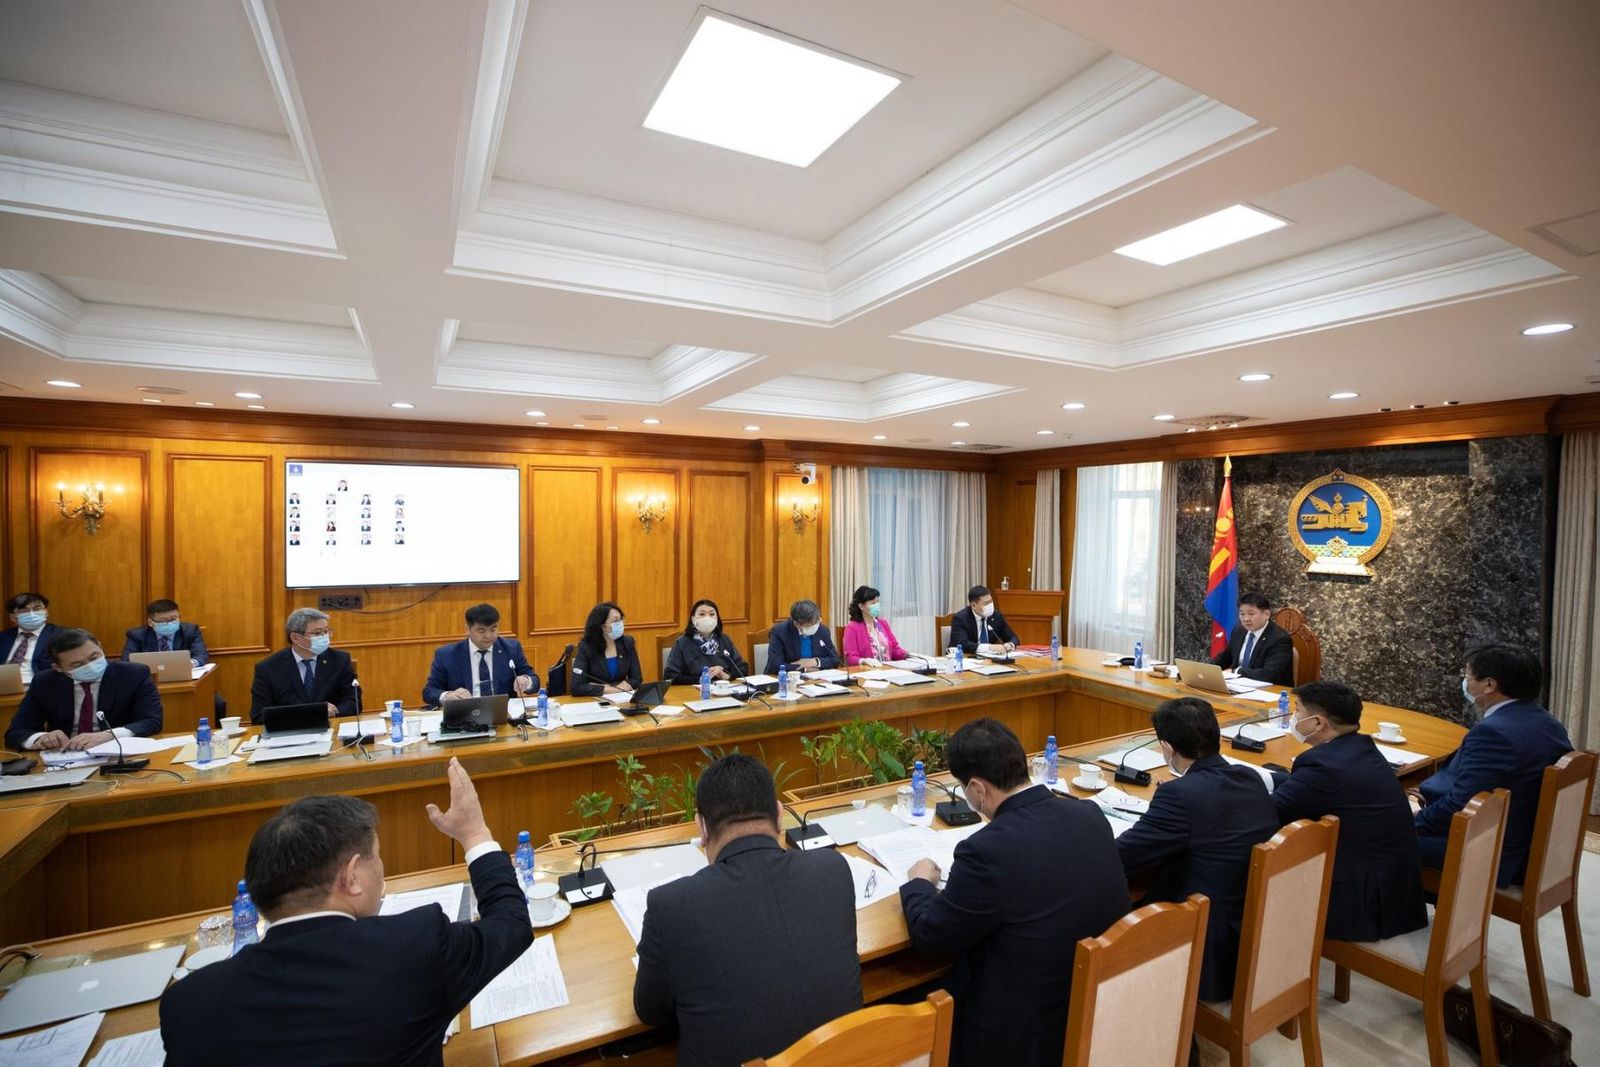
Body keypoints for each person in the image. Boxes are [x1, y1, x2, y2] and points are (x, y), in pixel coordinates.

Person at [159, 758, 531, 1066]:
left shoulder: (187, 1007)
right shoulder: (415, 947)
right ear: (352, 877)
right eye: (377, 856)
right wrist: (474, 833)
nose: (381, 869)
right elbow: (510, 923)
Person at [899, 719, 1130, 1065]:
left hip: (1025, 1038)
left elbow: (932, 938)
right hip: (1097, 1004)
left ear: (977, 788)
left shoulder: (984, 852)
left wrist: (918, 883)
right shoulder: (1088, 813)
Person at [633, 755, 860, 1066]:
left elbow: (650, 1012)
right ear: (779, 816)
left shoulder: (670, 905)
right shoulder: (833, 867)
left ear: (701, 827)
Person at [1115, 696, 1279, 1002]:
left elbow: (1121, 858)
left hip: (1209, 953)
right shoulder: (1249, 777)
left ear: (1167, 748)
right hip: (1255, 935)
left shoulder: (1180, 797)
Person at [1270, 681, 1427, 942]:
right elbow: (1314, 790)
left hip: (1363, 904)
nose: (1293, 717)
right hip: (1397, 892)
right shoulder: (1361, 749)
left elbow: (1271, 812)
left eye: (1297, 711)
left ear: (1318, 722)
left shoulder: (1321, 766)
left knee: (1254, 863)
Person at [1413, 644, 1572, 886]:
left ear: (1489, 684)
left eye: (1467, 676)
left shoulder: (1493, 733)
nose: (1466, 683)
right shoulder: (1548, 722)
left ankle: (1387, 914)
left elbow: (1461, 804)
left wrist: (1412, 823)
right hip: (1525, 842)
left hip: (1493, 851)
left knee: (1370, 836)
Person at [5, 629, 163, 751]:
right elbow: (16, 732)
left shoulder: (133, 674)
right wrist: (41, 738)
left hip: (117, 749)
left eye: (94, 657)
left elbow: (152, 721)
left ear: (100, 647)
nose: (89, 665)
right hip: (65, 754)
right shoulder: (45, 682)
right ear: (58, 668)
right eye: (77, 665)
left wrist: (108, 735)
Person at [249, 608, 358, 722]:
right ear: (296, 638)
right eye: (317, 633)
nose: (324, 637)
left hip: (331, 728)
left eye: (326, 631)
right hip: (289, 733)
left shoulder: (340, 660)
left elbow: (354, 703)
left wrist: (334, 711)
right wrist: (311, 712)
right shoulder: (268, 668)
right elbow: (259, 715)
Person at [121, 597, 226, 714]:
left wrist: (190, 663)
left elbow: (201, 654)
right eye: (163, 620)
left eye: (173, 619)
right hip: (149, 685)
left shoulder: (190, 630)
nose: (169, 623)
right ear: (150, 622)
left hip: (186, 681)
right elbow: (126, 661)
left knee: (217, 703)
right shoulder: (137, 635)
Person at [421, 604, 537, 706]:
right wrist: (448, 695)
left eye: (493, 629)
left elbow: (535, 681)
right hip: (464, 715)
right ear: (468, 629)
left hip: (503, 715)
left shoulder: (511, 649)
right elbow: (429, 692)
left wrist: (527, 681)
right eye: (481, 631)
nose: (488, 636)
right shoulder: (447, 655)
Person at [1209, 592, 1294, 685]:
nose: (1246, 619)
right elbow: (1225, 657)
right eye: (1242, 614)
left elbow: (1270, 674)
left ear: (1266, 614)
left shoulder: (1279, 638)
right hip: (1237, 686)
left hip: (1269, 691)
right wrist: (1207, 670)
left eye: (1251, 614)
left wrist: (1236, 672)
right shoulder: (1239, 630)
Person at [664, 599, 749, 684]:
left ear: (717, 619)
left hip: (723, 689)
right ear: (693, 619)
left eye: (712, 614)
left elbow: (743, 668)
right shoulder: (683, 643)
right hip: (694, 692)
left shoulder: (724, 640)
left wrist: (727, 676)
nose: (707, 618)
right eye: (702, 614)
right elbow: (670, 675)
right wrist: (701, 679)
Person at [570, 601, 643, 697]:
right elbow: (576, 687)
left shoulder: (627, 643)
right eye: (615, 621)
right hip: (595, 702)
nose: (620, 624)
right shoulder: (587, 647)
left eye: (621, 619)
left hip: (623, 699)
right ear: (602, 626)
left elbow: (637, 679)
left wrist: (625, 685)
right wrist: (613, 689)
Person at [766, 599, 840, 673]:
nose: (815, 626)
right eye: (810, 625)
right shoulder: (780, 632)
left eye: (817, 621)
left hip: (815, 679)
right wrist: (805, 669)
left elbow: (835, 660)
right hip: (786, 679)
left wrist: (815, 661)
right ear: (796, 624)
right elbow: (775, 665)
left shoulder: (822, 630)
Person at [1, 591, 58, 684]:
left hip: (39, 689)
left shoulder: (61, 636)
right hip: (5, 687)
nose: (32, 614)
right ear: (12, 617)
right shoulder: (3, 638)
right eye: (24, 611)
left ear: (46, 612)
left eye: (37, 609)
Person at [842, 585, 907, 666]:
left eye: (877, 602)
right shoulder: (852, 628)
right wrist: (864, 661)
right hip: (867, 672)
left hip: (888, 670)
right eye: (873, 603)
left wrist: (910, 655)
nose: (877, 605)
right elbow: (851, 658)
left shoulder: (883, 623)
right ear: (861, 606)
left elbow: (895, 648)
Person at [948, 584, 1019, 656]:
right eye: (986, 603)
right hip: (965, 658)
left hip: (990, 660)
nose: (990, 605)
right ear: (973, 605)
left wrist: (1010, 645)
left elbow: (1013, 638)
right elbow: (962, 644)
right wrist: (989, 647)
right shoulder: (960, 618)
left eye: (991, 601)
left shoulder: (996, 615)